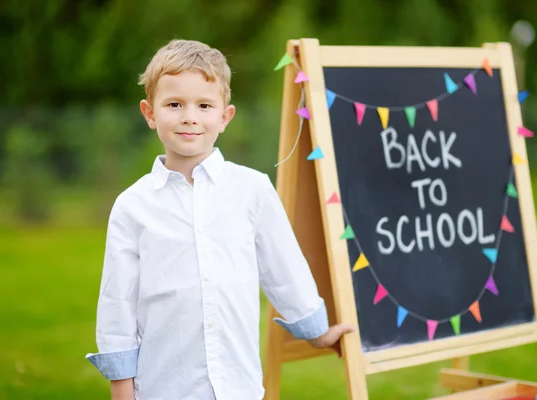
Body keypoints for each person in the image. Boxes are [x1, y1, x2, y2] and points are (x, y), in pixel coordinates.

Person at [85, 39, 355, 400]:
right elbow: (117, 302)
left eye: (204, 105)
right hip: (164, 387)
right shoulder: (132, 206)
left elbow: (284, 267)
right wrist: (121, 388)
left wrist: (317, 331)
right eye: (175, 104)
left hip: (238, 385)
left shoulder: (252, 189)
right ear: (150, 113)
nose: (190, 117)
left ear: (225, 117)